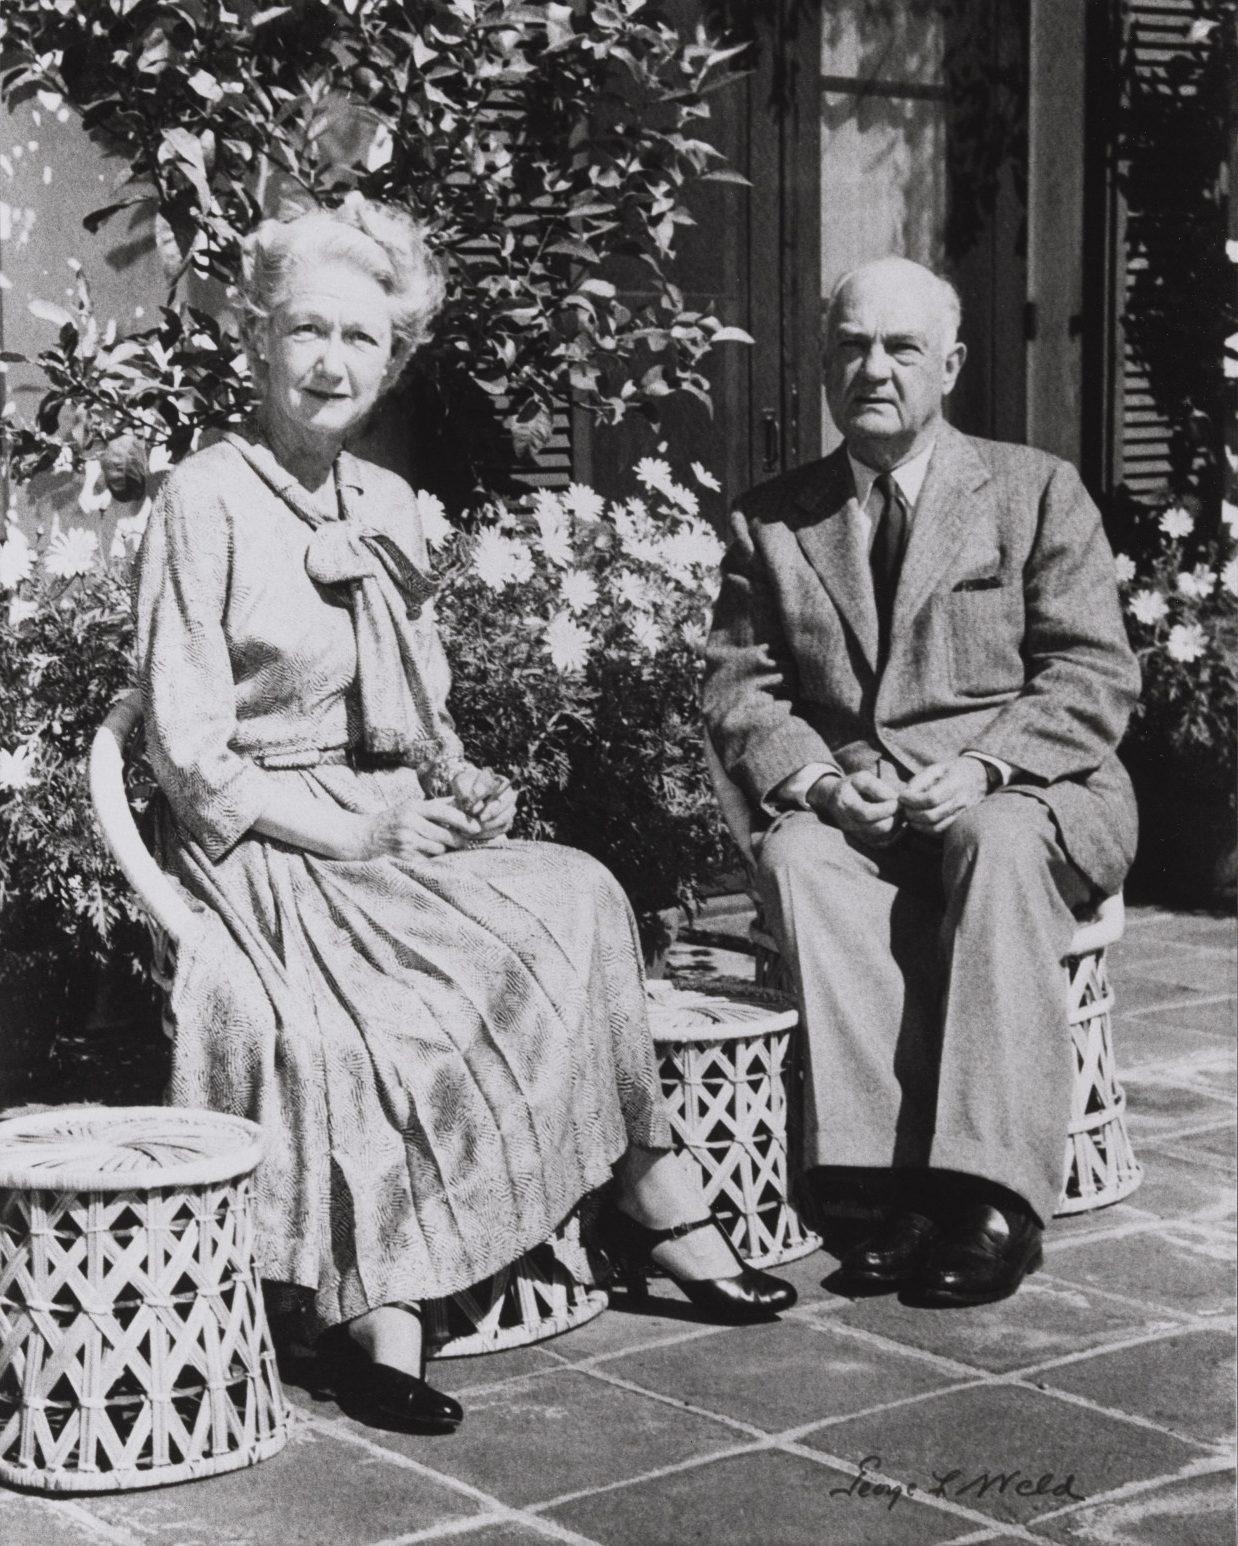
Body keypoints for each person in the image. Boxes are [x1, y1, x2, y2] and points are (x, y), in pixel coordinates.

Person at [135, 196, 793, 1436]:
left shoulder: (385, 501)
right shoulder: (202, 499)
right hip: (273, 846)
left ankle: (646, 1185)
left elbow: (421, 707)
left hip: (394, 819)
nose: (332, 361)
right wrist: (350, 834)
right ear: (259, 340)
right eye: (307, 330)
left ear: (392, 360)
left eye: (362, 338)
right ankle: (380, 1311)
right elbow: (186, 751)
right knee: (365, 1020)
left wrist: (459, 781)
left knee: (580, 891)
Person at [703, 256, 1139, 1307]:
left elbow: (1092, 673)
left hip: (1031, 788)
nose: (874, 369)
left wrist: (986, 765)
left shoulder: (1035, 490)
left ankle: (990, 1193)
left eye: (901, 348)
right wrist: (819, 788)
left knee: (991, 841)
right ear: (822, 366)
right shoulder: (771, 520)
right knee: (800, 857)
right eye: (851, 346)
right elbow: (741, 694)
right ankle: (878, 1181)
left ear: (948, 365)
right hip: (864, 804)